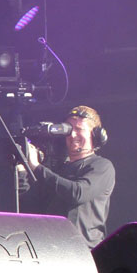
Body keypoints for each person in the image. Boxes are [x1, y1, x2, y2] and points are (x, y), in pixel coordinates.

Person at [18, 106, 115, 249]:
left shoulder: (101, 166)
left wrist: (36, 167)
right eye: (69, 129)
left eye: (79, 129)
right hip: (51, 248)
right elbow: (32, 206)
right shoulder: (57, 170)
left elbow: (77, 193)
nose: (73, 135)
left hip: (84, 251)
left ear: (95, 135)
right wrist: (21, 173)